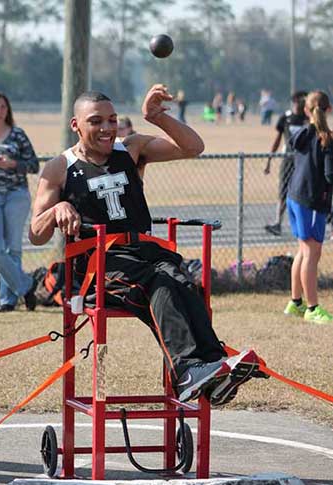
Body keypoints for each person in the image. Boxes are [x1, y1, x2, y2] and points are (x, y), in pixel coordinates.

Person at [29, 83, 261, 405]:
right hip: (98, 266)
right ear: (76, 125)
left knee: (182, 279)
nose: (107, 128)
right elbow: (35, 234)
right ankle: (190, 369)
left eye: (112, 119)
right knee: (158, 282)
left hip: (144, 252)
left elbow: (194, 147)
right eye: (96, 121)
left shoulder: (132, 148)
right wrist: (56, 210)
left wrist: (157, 117)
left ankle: (214, 367)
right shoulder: (60, 168)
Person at [0, 91, 39, 312]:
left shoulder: (17, 134)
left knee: (13, 249)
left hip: (16, 194)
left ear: (8, 110)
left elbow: (34, 164)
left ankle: (8, 300)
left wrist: (13, 164)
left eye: (3, 106)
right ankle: (26, 286)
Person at [284, 90, 333, 324]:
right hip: (311, 202)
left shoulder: (301, 132)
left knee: (304, 251)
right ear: (329, 110)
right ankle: (312, 308)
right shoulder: (326, 138)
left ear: (306, 110)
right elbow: (330, 174)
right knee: (312, 253)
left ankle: (295, 303)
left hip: (294, 197)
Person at [264, 91, 308, 236]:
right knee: (283, 191)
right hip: (288, 161)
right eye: (298, 101)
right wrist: (269, 160)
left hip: (304, 161)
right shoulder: (286, 118)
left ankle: (304, 224)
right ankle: (278, 222)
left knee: (305, 193)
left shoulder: (308, 119)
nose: (300, 104)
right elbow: (277, 140)